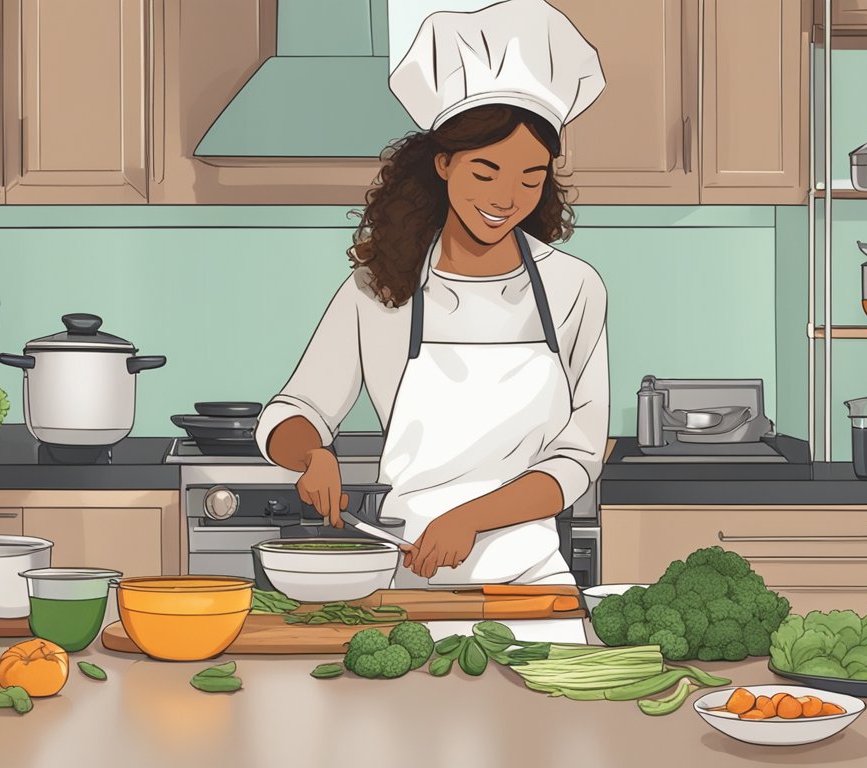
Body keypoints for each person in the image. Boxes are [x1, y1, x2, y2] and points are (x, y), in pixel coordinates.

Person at [255, 0, 609, 587]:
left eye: (531, 175)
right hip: (408, 569)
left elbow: (577, 457)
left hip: (531, 578)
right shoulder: (382, 288)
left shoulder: (573, 287)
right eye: (486, 171)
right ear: (444, 164)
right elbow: (295, 411)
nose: (507, 196)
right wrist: (313, 455)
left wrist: (470, 518)